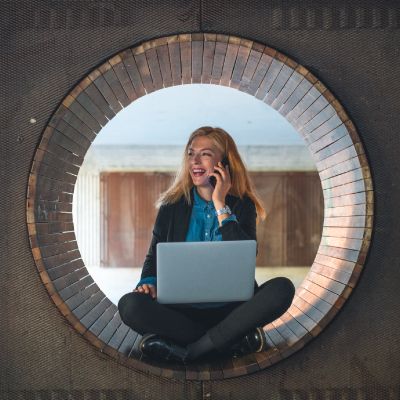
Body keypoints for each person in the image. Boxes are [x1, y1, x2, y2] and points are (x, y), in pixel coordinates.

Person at [118, 127, 295, 364]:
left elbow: (246, 253)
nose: (195, 160)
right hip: (181, 313)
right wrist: (148, 283)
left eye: (205, 154)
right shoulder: (172, 206)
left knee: (282, 288)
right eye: (191, 154)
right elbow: (154, 258)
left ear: (224, 163)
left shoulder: (242, 205)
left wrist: (221, 204)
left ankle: (190, 350)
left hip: (232, 310)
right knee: (130, 305)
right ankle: (227, 341)